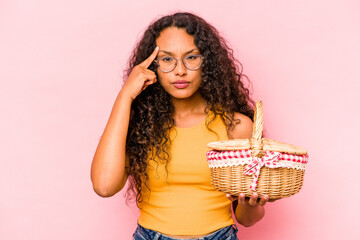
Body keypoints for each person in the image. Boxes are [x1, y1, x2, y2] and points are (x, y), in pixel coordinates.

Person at [91, 12, 272, 240]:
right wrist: (125, 96)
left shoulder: (235, 126)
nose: (180, 71)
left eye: (191, 57)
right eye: (167, 59)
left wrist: (252, 204)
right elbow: (104, 186)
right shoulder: (140, 125)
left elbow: (246, 219)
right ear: (152, 66)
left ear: (207, 62)